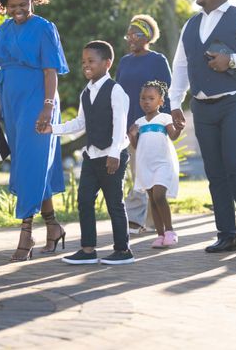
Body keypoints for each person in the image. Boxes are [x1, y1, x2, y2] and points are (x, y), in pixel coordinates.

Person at [169, 0, 236, 255]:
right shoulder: (190, 25)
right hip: (201, 106)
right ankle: (226, 235)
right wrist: (175, 103)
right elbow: (180, 66)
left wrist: (234, 61)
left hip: (234, 101)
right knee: (214, 171)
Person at [0, 0, 70, 262]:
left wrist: (48, 108)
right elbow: (1, 72)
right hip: (12, 103)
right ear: (4, 5)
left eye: (22, 4)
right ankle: (53, 226)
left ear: (32, 0)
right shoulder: (3, 30)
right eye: (11, 6)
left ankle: (26, 232)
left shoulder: (45, 28)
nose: (18, 10)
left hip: (39, 101)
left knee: (31, 164)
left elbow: (51, 71)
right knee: (29, 164)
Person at [43, 41, 134, 265]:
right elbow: (80, 123)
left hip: (112, 156)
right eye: (83, 62)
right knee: (84, 200)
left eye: (91, 61)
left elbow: (120, 124)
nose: (86, 65)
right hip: (92, 156)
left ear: (107, 63)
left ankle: (123, 251)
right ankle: (88, 249)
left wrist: (114, 154)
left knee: (114, 203)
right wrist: (53, 129)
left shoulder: (116, 90)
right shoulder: (86, 92)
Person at [115, 14, 172, 234]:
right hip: (128, 128)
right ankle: (148, 221)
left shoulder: (157, 60)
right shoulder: (125, 61)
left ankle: (138, 220)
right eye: (128, 34)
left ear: (146, 36)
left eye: (134, 34)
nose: (129, 38)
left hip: (152, 128)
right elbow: (118, 93)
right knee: (138, 173)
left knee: (145, 174)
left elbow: (165, 92)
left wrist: (163, 125)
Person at [128, 80, 182, 248]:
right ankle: (159, 235)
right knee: (152, 198)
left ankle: (170, 231)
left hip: (163, 164)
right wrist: (132, 135)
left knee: (159, 195)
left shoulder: (165, 118)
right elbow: (138, 147)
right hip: (146, 165)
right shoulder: (139, 122)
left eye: (151, 98)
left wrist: (179, 127)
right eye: (143, 98)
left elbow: (173, 136)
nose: (146, 102)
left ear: (161, 101)